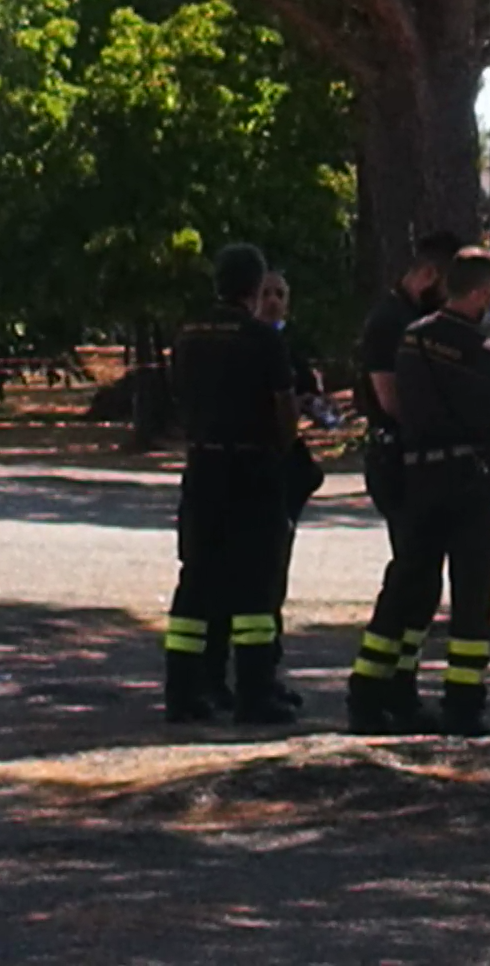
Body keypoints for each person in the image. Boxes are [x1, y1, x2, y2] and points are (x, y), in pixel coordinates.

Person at [348, 248, 490, 737]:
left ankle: (365, 693)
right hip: (472, 484)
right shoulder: (489, 357)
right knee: (471, 597)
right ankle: (463, 705)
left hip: (419, 480)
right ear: (483, 294)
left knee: (406, 586)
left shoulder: (412, 339)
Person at [163, 243, 298, 726]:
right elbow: (285, 410)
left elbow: (180, 396)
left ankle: (183, 691)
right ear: (254, 285)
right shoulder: (263, 339)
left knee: (196, 580)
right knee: (255, 585)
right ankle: (255, 692)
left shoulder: (188, 334)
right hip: (251, 468)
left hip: (202, 466)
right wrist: (279, 451)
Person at [192, 269, 321, 713]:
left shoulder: (285, 348)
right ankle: (236, 683)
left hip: (265, 475)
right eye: (265, 292)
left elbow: (310, 400)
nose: (272, 302)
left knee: (268, 584)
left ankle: (261, 674)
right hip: (251, 469)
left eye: (280, 294)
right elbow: (282, 415)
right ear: (251, 295)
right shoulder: (251, 342)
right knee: (240, 583)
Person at [349, 231, 463, 728]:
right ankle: (372, 690)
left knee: (422, 581)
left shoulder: (413, 319)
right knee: (411, 575)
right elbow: (393, 400)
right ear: (431, 276)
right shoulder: (389, 321)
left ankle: (401, 685)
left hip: (423, 463)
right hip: (398, 460)